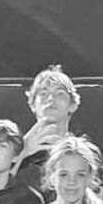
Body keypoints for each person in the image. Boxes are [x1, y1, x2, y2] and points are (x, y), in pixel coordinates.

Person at [14, 65, 81, 193]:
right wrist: (22, 152)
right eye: (43, 93)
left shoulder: (84, 151)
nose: (51, 98)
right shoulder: (13, 151)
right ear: (33, 104)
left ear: (72, 105)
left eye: (60, 93)